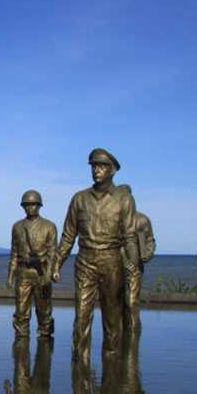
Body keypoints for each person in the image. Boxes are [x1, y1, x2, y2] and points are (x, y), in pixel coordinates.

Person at [53, 148, 139, 359]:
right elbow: (68, 236)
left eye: (102, 166)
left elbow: (129, 237)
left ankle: (111, 370)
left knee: (112, 320)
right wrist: (56, 264)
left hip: (112, 263)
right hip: (85, 262)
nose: (96, 171)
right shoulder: (79, 199)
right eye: (94, 166)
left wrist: (133, 268)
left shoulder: (124, 199)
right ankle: (80, 371)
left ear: (112, 170)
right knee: (81, 318)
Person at [6, 190, 57, 337]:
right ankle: (21, 350)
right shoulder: (17, 227)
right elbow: (14, 253)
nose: (30, 208)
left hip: (41, 273)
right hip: (22, 273)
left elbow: (52, 252)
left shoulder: (49, 226)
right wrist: (10, 276)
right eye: (26, 205)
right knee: (21, 312)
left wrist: (48, 275)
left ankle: (45, 346)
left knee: (44, 311)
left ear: (39, 205)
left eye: (33, 204)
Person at [124, 209, 156, 331]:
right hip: (113, 266)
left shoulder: (142, 219)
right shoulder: (112, 217)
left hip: (135, 267)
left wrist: (148, 253)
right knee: (114, 306)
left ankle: (133, 337)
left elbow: (150, 241)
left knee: (132, 302)